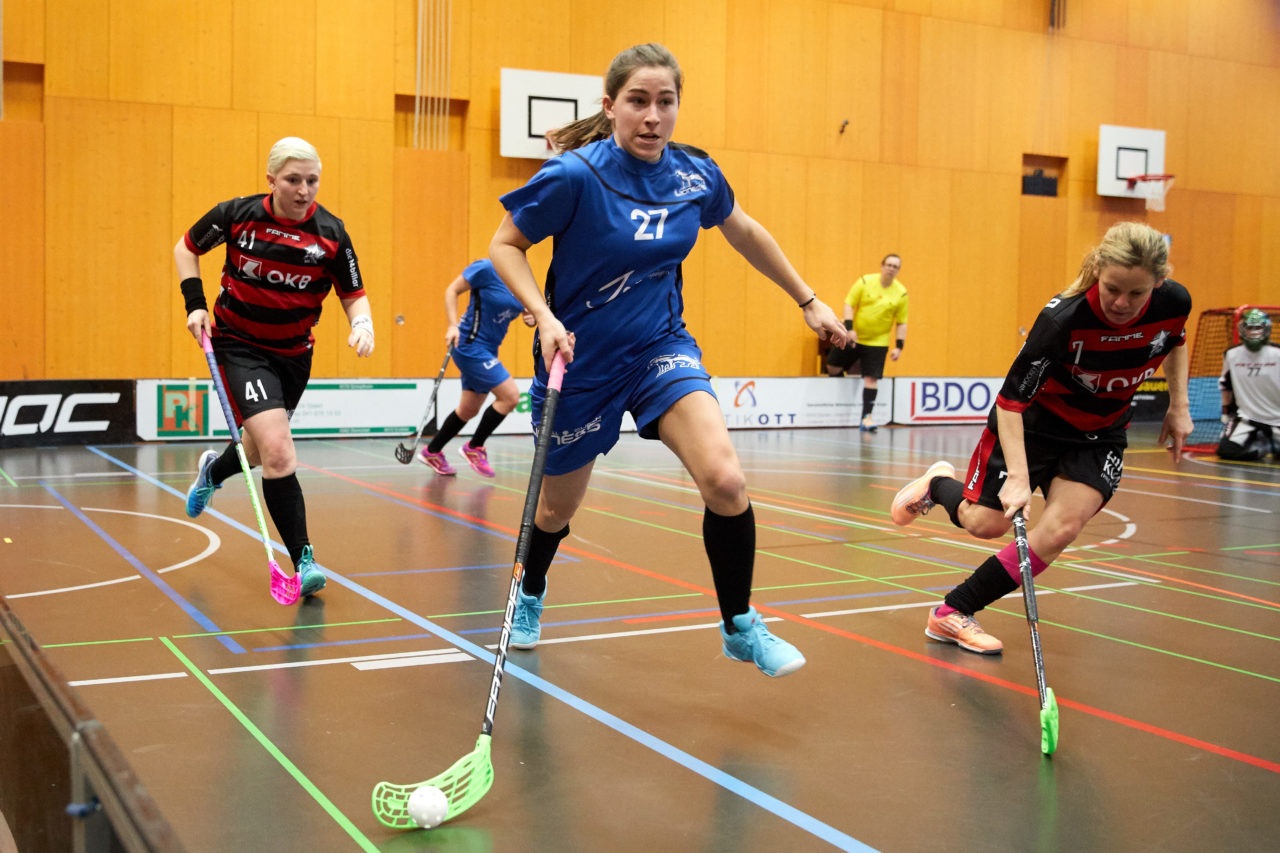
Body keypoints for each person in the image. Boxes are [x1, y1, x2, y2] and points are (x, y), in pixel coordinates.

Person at [488, 43, 848, 677]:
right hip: (580, 361)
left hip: (660, 347)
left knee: (726, 481)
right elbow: (505, 245)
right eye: (638, 101)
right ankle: (531, 592)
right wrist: (542, 315)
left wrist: (808, 299)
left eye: (666, 101)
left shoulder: (694, 175)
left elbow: (744, 230)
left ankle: (740, 625)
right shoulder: (575, 175)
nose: (653, 116)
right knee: (555, 511)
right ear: (611, 106)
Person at [889, 221, 1190, 654]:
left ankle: (952, 612)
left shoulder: (1174, 302)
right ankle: (937, 485)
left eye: (1136, 293)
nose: (1122, 303)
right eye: (1112, 289)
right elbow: (1010, 402)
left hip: (1099, 434)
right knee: (985, 524)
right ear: (1098, 270)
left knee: (1062, 528)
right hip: (1033, 425)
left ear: (1158, 283)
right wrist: (1018, 476)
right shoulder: (1062, 320)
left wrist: (1179, 405)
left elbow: (1175, 341)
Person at [175, 136, 374, 598]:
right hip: (239, 346)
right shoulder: (236, 215)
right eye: (293, 180)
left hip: (294, 355)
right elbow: (186, 249)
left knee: (259, 449)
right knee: (279, 451)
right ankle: (304, 561)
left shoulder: (332, 234)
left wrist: (362, 324)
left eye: (312, 180)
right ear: (271, 180)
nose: (304, 190)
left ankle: (212, 473)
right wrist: (195, 304)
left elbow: (354, 294)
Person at [419, 259, 536, 476]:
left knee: (468, 409)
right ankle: (475, 447)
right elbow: (452, 290)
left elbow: (526, 312)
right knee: (510, 397)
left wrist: (529, 317)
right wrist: (452, 326)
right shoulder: (487, 268)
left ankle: (432, 452)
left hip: (490, 349)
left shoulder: (520, 279)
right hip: (469, 345)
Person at [824, 254, 909, 431]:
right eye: (889, 265)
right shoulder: (865, 282)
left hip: (878, 343)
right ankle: (839, 407)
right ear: (882, 266)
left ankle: (866, 418)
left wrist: (899, 347)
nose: (891, 269)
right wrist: (849, 329)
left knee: (871, 379)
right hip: (854, 337)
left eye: (895, 266)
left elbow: (902, 322)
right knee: (832, 366)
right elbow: (849, 304)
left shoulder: (901, 293)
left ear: (898, 270)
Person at [1217, 308, 1279, 461]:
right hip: (1246, 417)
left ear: (1266, 329)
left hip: (1277, 418)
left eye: (1258, 327)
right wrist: (1225, 413)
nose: (1254, 332)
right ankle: (1263, 447)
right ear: (1242, 329)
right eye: (1250, 328)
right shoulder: (1231, 354)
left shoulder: (1277, 353)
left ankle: (1274, 442)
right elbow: (1226, 386)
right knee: (1226, 450)